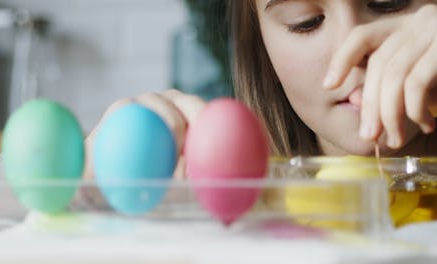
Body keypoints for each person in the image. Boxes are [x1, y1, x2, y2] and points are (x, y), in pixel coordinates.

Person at [84, 0, 437, 179]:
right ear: (262, 47)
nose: (353, 47)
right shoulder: (239, 207)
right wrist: (85, 198)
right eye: (305, 22)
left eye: (391, 1)